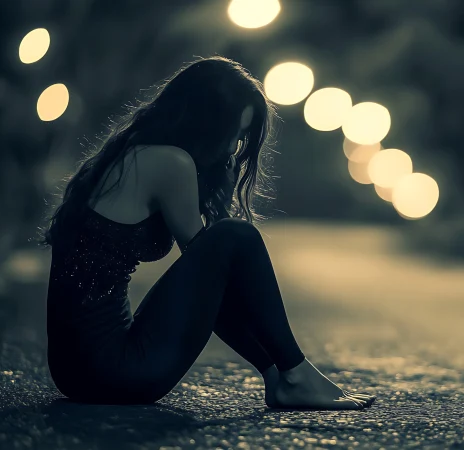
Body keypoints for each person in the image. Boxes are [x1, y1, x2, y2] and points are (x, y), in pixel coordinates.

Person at [41, 56, 375, 410]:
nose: (234, 147)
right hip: (115, 371)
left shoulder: (136, 153)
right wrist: (225, 195)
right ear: (205, 122)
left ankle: (285, 376)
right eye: (234, 132)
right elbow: (217, 260)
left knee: (228, 241)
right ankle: (294, 373)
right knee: (238, 236)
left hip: (77, 372)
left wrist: (269, 366)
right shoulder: (169, 163)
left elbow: (208, 278)